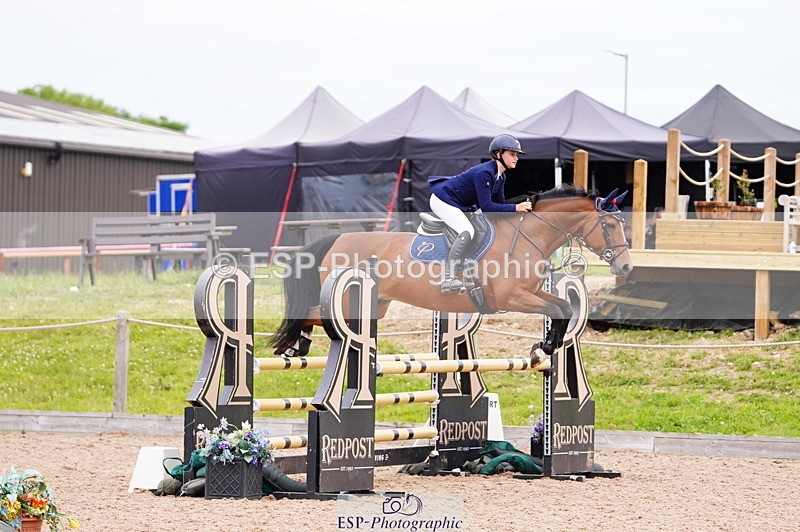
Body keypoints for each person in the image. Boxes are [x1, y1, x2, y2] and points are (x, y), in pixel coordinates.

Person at [428, 134, 532, 294]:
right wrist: (516, 208)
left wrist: (518, 208)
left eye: (517, 155)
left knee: (482, 227)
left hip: (460, 203)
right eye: (512, 154)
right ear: (498, 154)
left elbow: (500, 206)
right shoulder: (485, 173)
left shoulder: (501, 176)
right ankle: (448, 278)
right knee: (467, 231)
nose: (516, 158)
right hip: (443, 200)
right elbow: (488, 208)